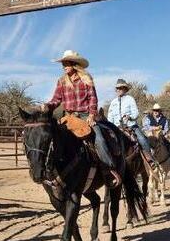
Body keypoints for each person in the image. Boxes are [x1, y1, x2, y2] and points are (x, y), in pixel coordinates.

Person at [41, 49, 121, 187]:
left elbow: (93, 98)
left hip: (85, 115)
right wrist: (48, 106)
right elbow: (56, 99)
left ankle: (108, 169)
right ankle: (50, 171)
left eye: (66, 63)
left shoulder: (86, 78)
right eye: (63, 64)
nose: (64, 66)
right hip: (69, 117)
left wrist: (91, 115)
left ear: (74, 64)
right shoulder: (61, 81)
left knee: (99, 138)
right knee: (52, 138)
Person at [107, 79, 155, 165]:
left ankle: (149, 159)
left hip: (130, 126)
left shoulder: (130, 99)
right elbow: (110, 117)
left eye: (120, 88)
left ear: (125, 89)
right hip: (117, 128)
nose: (118, 90)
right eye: (117, 88)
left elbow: (136, 113)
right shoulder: (113, 102)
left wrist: (130, 117)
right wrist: (111, 127)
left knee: (142, 139)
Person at [143, 103, 170, 170]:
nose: (156, 112)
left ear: (160, 111)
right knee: (144, 145)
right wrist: (153, 128)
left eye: (157, 110)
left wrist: (162, 132)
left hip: (161, 137)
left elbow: (166, 128)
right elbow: (145, 127)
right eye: (155, 110)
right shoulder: (148, 118)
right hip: (151, 137)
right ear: (153, 110)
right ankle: (145, 164)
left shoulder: (164, 119)